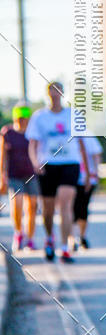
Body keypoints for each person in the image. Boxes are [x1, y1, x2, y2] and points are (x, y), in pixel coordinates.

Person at [25, 81, 89, 262]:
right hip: (48, 164)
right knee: (47, 209)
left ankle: (64, 247)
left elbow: (82, 145)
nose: (55, 93)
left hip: (70, 163)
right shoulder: (39, 117)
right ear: (48, 93)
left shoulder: (73, 114)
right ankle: (49, 239)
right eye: (52, 90)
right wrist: (35, 162)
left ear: (62, 93)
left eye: (58, 90)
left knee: (66, 204)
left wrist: (88, 172)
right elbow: (33, 144)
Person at [0, 102, 41, 252]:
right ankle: (18, 233)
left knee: (31, 207)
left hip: (31, 174)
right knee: (16, 204)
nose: (22, 120)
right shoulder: (7, 133)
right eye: (19, 117)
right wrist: (2, 176)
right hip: (13, 175)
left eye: (24, 117)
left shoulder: (33, 134)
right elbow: (2, 157)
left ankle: (30, 239)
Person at [71, 135, 102, 250]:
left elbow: (96, 155)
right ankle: (72, 238)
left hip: (86, 179)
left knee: (83, 207)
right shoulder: (66, 132)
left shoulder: (89, 136)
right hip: (70, 178)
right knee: (71, 208)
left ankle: (82, 236)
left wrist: (96, 171)